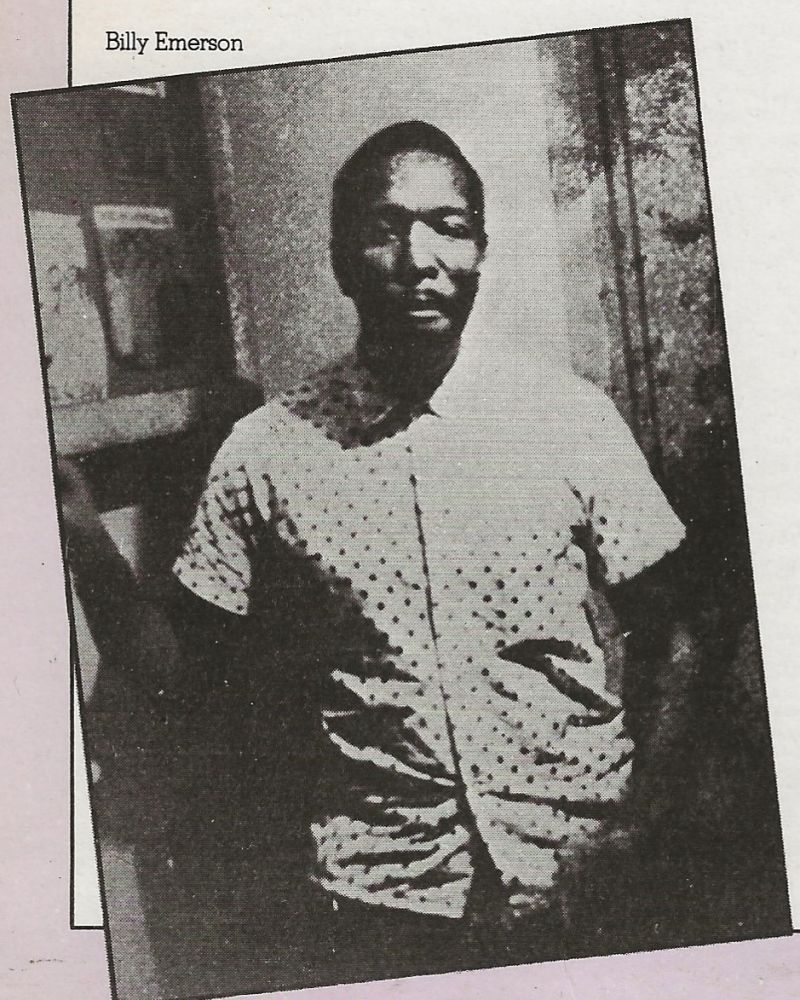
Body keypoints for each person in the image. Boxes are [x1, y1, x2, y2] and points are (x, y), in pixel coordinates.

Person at [60, 121, 692, 984]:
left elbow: (681, 635)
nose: (419, 258)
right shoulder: (267, 452)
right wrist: (81, 534)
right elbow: (178, 669)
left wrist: (637, 824)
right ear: (341, 261)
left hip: (577, 880)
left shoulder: (569, 419)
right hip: (382, 901)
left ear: (480, 250)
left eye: (449, 227)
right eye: (385, 229)